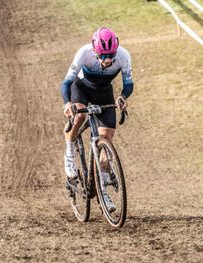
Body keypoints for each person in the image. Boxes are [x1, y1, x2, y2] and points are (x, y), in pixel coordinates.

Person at [60, 27, 134, 212]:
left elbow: (128, 84)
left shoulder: (124, 56)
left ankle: (102, 192)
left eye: (110, 55)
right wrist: (67, 103)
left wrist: (123, 97)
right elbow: (66, 83)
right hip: (81, 88)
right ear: (94, 51)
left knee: (106, 139)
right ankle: (70, 151)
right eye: (102, 56)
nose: (107, 60)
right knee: (80, 115)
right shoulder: (84, 53)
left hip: (104, 93)